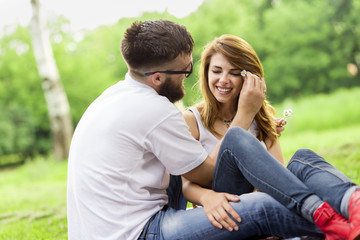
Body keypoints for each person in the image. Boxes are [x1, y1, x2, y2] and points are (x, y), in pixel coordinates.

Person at [66, 19, 347, 240]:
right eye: (185, 71)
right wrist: (245, 117)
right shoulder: (156, 111)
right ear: (158, 77)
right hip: (138, 233)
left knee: (303, 161)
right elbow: (207, 175)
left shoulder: (112, 96)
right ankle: (338, 223)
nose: (188, 77)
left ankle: (347, 206)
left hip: (120, 226)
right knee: (263, 207)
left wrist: (257, 129)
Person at [181, 34, 360, 240]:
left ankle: (354, 203)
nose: (223, 80)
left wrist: (264, 133)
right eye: (216, 71)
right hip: (226, 210)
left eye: (234, 72)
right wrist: (207, 196)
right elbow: (185, 184)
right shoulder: (192, 120)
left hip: (262, 208)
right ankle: (326, 218)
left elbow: (279, 179)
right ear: (206, 73)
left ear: (249, 77)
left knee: (303, 158)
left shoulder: (262, 115)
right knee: (236, 138)